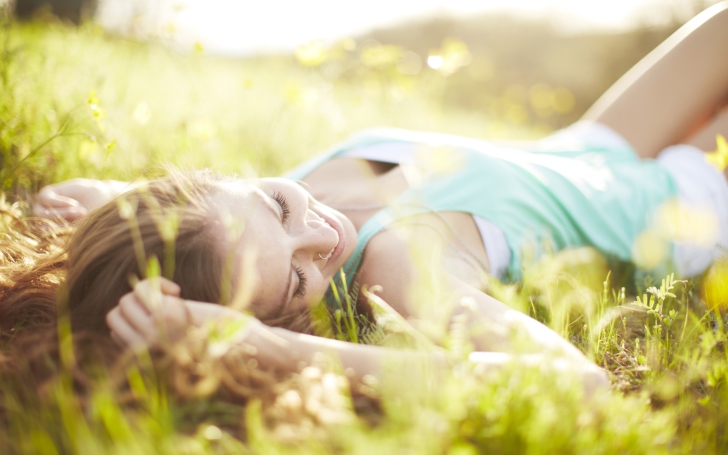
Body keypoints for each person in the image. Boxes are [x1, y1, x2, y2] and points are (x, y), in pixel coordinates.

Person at [19, 2, 728, 395]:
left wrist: (111, 202)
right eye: (298, 275)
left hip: (593, 146)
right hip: (687, 202)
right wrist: (262, 346)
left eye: (278, 206)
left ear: (213, 179)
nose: (322, 236)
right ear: (286, 314)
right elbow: (577, 388)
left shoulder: (224, 217)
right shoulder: (395, 268)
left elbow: (82, 202)